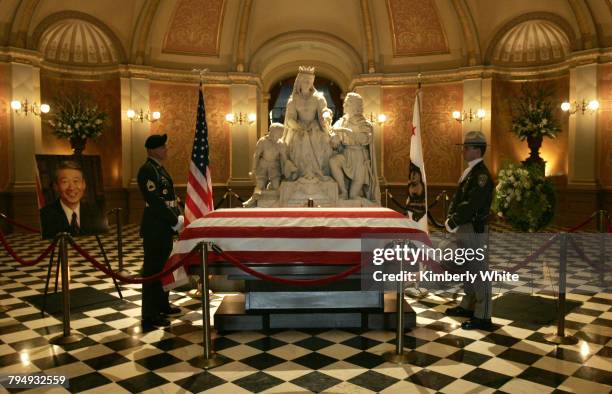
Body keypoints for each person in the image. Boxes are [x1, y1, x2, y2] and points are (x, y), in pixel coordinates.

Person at [444, 130, 494, 330]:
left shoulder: (481, 175)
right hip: (465, 227)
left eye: (466, 147)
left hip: (474, 228)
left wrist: (453, 220)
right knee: (468, 269)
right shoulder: (471, 171)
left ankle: (483, 315)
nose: (463, 150)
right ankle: (469, 305)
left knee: (478, 270)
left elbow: (472, 203)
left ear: (477, 149)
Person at [137, 134, 183, 331]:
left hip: (164, 226)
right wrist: (174, 220)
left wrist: (176, 214)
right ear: (152, 150)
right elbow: (155, 201)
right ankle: (150, 313)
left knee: (164, 268)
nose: (166, 149)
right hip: (155, 226)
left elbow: (169, 198)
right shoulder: (147, 170)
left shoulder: (159, 169)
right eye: (162, 146)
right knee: (153, 271)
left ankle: (162, 305)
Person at [281, 66, 333, 180]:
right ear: (299, 82)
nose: (307, 83)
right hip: (298, 127)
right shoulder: (293, 100)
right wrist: (298, 127)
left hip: (315, 127)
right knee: (297, 141)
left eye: (309, 81)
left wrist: (326, 115)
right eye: (305, 81)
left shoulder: (318, 98)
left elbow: (324, 110)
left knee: (321, 140)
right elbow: (290, 118)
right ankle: (300, 172)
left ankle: (317, 172)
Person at [329, 92, 380, 202]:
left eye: (347, 103)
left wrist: (350, 133)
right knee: (333, 161)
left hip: (359, 158)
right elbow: (332, 131)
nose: (344, 106)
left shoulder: (362, 122)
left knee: (353, 196)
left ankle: (364, 206)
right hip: (346, 154)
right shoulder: (342, 121)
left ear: (354, 106)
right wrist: (334, 137)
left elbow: (366, 139)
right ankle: (343, 191)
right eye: (344, 103)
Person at [40, 160, 107, 239]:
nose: (71, 187)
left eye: (76, 181)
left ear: (83, 184)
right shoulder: (44, 215)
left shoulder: (96, 212)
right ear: (56, 186)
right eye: (65, 182)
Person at [243, 123, 288, 207]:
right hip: (263, 165)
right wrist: (254, 169)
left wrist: (287, 170)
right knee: (260, 184)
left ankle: (273, 202)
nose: (281, 134)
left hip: (274, 166)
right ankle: (252, 200)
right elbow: (256, 155)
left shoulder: (281, 143)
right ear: (273, 131)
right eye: (280, 132)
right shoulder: (263, 141)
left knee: (276, 186)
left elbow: (284, 158)